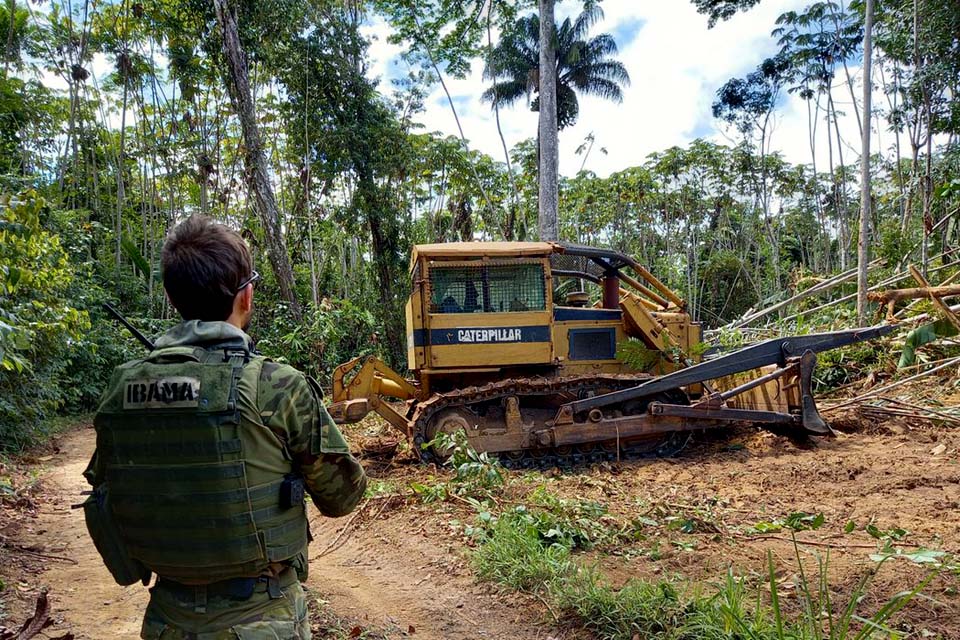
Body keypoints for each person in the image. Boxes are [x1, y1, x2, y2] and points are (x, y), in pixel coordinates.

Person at [84, 214, 366, 639]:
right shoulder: (275, 385)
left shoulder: (122, 387)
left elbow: (108, 495)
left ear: (170, 295)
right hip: (263, 617)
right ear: (246, 296)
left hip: (167, 620)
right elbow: (343, 496)